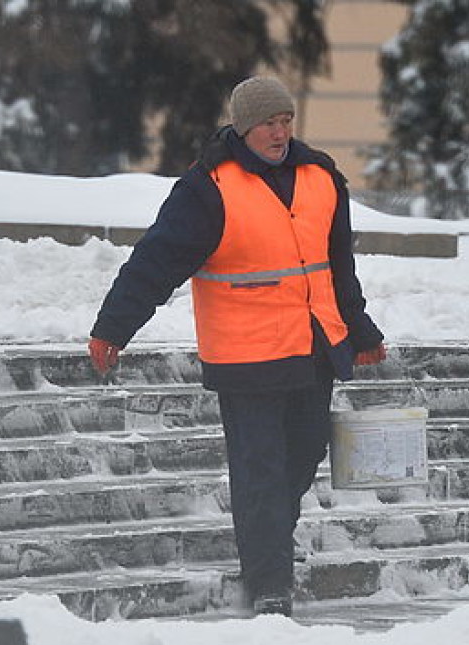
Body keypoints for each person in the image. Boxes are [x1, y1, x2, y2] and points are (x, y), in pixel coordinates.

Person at [88, 76, 386, 617]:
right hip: (247, 356)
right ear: (244, 127)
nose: (280, 132)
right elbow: (156, 261)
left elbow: (338, 265)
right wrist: (114, 326)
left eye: (286, 121)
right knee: (261, 472)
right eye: (269, 123)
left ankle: (266, 546)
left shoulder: (320, 176)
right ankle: (270, 584)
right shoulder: (209, 187)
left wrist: (360, 330)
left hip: (313, 347)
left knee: (305, 454)